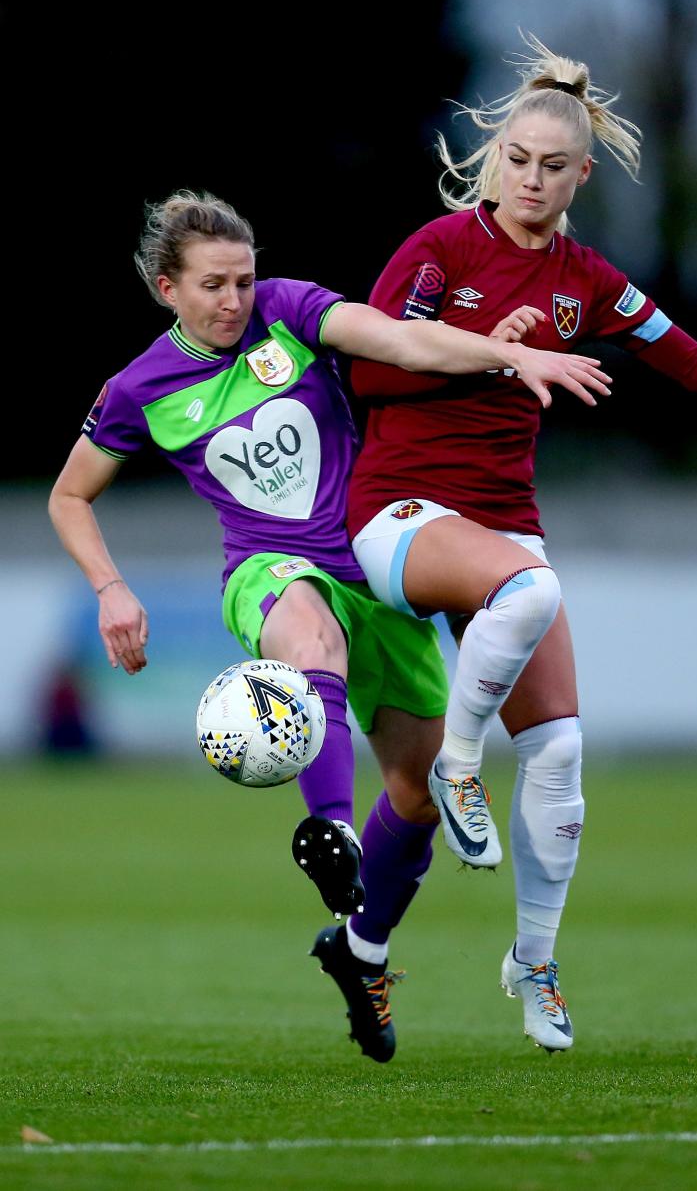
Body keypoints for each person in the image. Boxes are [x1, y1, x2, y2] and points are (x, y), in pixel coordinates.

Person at [343, 35, 697, 1053]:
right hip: (400, 510)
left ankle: (532, 962)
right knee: (530, 595)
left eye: (550, 165)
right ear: (496, 158)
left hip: (503, 523)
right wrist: (493, 356)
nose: (529, 177)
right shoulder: (438, 250)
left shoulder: (586, 280)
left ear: (580, 175)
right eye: (516, 158)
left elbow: (692, 367)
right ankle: (461, 765)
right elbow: (374, 376)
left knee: (562, 751)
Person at [47, 190, 610, 1062]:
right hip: (267, 573)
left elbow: (399, 338)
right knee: (312, 639)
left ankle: (359, 949)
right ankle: (329, 828)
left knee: (419, 797)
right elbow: (69, 495)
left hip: (370, 566)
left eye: (243, 279)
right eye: (211, 286)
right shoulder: (136, 390)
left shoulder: (292, 311)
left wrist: (500, 354)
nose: (234, 300)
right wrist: (110, 588)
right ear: (167, 288)